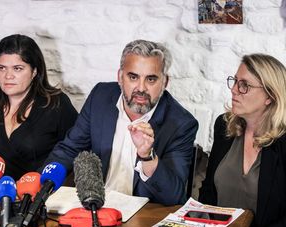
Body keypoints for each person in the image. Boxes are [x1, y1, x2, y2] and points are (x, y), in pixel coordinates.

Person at [45, 39, 198, 205]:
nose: (141, 88)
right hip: (95, 208)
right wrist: (41, 185)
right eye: (133, 77)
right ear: (120, 77)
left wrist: (147, 157)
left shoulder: (181, 123)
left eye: (151, 79)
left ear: (164, 83)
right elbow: (69, 150)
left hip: (143, 217)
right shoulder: (100, 97)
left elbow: (173, 197)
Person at [0, 34, 78, 180]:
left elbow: (75, 158)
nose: (8, 76)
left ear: (34, 71)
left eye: (17, 68)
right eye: (2, 68)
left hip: (40, 199)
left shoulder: (57, 105)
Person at [199, 54, 286, 227]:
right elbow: (208, 190)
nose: (234, 90)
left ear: (270, 96)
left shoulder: (283, 142)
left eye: (244, 85)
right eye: (235, 81)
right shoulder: (223, 126)